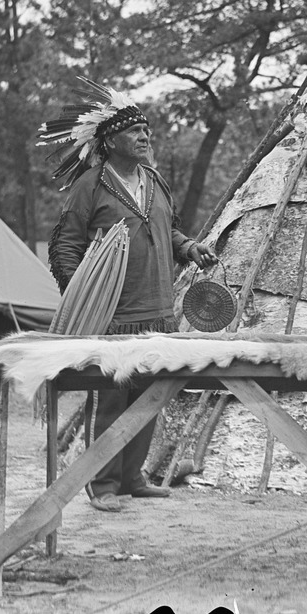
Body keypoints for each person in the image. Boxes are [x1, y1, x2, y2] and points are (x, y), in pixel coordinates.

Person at [40, 78, 217, 513]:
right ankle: (101, 483)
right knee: (109, 397)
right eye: (136, 131)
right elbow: (66, 245)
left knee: (148, 397)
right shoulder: (92, 186)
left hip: (157, 310)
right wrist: (82, 296)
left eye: (146, 131)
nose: (144, 137)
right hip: (112, 316)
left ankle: (132, 477)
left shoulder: (154, 181)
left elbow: (166, 229)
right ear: (111, 139)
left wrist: (189, 247)